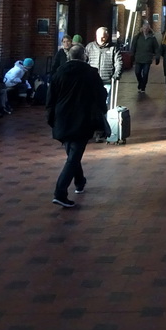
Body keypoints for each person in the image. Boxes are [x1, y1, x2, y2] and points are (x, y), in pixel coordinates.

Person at [46, 44, 108, 209]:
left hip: (62, 119)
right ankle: (60, 192)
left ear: (69, 56)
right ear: (84, 56)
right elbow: (100, 95)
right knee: (74, 156)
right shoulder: (90, 73)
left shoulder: (59, 73)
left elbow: (50, 99)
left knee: (72, 154)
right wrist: (102, 111)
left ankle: (79, 182)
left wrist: (51, 119)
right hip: (82, 119)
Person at [85, 27, 122, 105]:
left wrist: (116, 75)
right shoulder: (90, 47)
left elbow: (118, 62)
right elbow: (84, 61)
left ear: (107, 36)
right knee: (91, 101)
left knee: (104, 102)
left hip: (107, 80)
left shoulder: (113, 48)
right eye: (99, 36)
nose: (101, 39)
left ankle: (103, 117)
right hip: (92, 80)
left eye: (103, 37)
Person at [129, 21, 160, 94]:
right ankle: (140, 82)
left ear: (149, 29)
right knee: (137, 72)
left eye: (147, 28)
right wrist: (132, 55)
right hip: (138, 58)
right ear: (142, 28)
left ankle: (143, 86)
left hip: (147, 59)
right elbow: (133, 46)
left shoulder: (152, 38)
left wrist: (157, 57)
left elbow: (156, 48)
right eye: (144, 28)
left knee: (145, 73)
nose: (145, 30)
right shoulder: (137, 37)